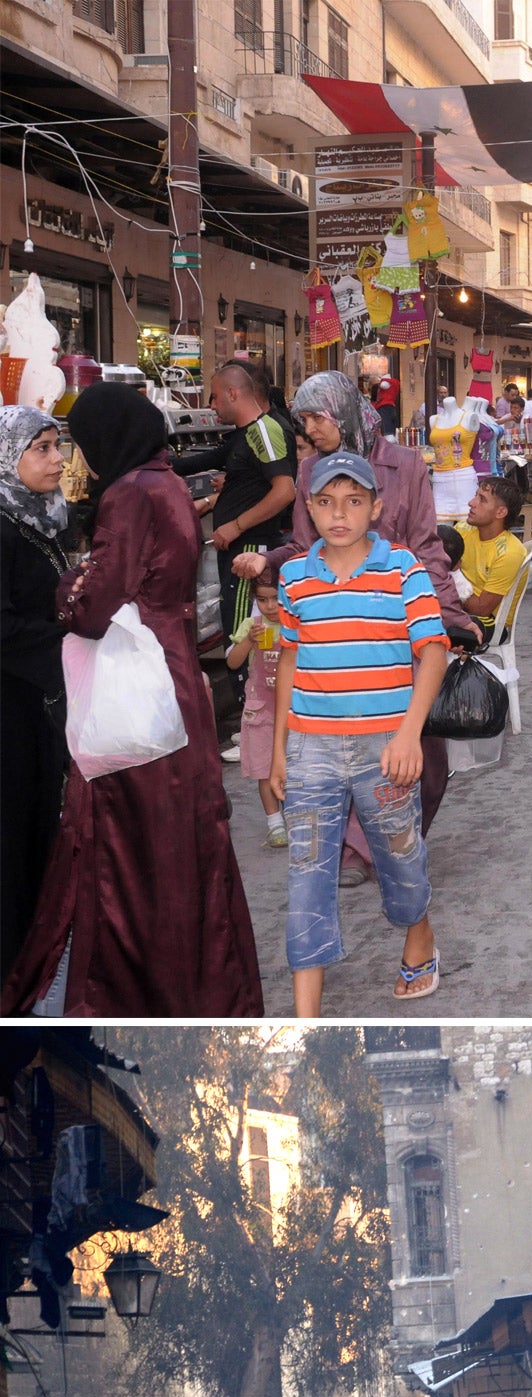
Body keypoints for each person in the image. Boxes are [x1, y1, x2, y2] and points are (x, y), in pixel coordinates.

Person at [3, 384, 262, 1016]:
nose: (74, 458)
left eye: (77, 442)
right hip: (171, 677)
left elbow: (94, 607)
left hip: (138, 687)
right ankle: (198, 987)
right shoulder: (166, 482)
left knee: (130, 843)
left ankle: (136, 993)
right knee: (182, 837)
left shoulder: (127, 494)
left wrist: (67, 591)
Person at [232, 370, 475, 882]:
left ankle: (394, 838)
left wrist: (451, 616)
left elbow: (427, 545)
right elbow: (304, 547)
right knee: (345, 742)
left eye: (316, 417)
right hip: (337, 629)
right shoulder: (308, 475)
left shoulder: (405, 465)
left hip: (400, 623)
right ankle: (354, 850)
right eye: (303, 419)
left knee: (426, 756)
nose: (309, 429)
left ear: (342, 411)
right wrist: (269, 561)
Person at [270, 449, 448, 1014]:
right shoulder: (295, 577)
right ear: (309, 509)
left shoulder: (402, 568)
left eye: (352, 502)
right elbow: (289, 665)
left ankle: (418, 933)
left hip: (385, 748)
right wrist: (279, 752)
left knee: (399, 859)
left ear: (376, 507)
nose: (338, 514)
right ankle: (306, 1023)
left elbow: (434, 651)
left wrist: (408, 735)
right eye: (325, 503)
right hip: (311, 749)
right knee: (307, 876)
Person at [0, 407, 72, 982]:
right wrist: (69, 638)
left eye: (58, 446)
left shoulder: (41, 517)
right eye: (42, 448)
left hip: (37, 704)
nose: (57, 460)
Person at [200, 362, 298, 657]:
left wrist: (237, 525)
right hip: (241, 547)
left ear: (232, 393)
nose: (212, 405)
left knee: (244, 638)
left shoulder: (265, 430)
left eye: (215, 397)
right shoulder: (250, 433)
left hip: (251, 548)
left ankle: (252, 699)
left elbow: (285, 491)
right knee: (239, 633)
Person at [225, 577, 288, 849]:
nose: (270, 606)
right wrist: (248, 641)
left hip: (295, 709)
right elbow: (232, 662)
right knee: (265, 769)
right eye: (262, 600)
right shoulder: (252, 626)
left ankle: (298, 818)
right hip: (261, 708)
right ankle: (275, 824)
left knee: (298, 767)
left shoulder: (296, 624)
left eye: (276, 598)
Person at [454, 476, 528, 629]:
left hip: (489, 622)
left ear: (500, 512)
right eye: (476, 495)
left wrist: (453, 574)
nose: (471, 503)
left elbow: (481, 609)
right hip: (459, 607)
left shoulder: (510, 552)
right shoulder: (463, 529)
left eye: (482, 499)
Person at [373, 374, 402, 439]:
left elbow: (383, 385)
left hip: (384, 406)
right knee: (392, 423)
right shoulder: (394, 385)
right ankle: (393, 436)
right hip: (392, 406)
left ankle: (388, 436)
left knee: (386, 422)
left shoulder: (385, 383)